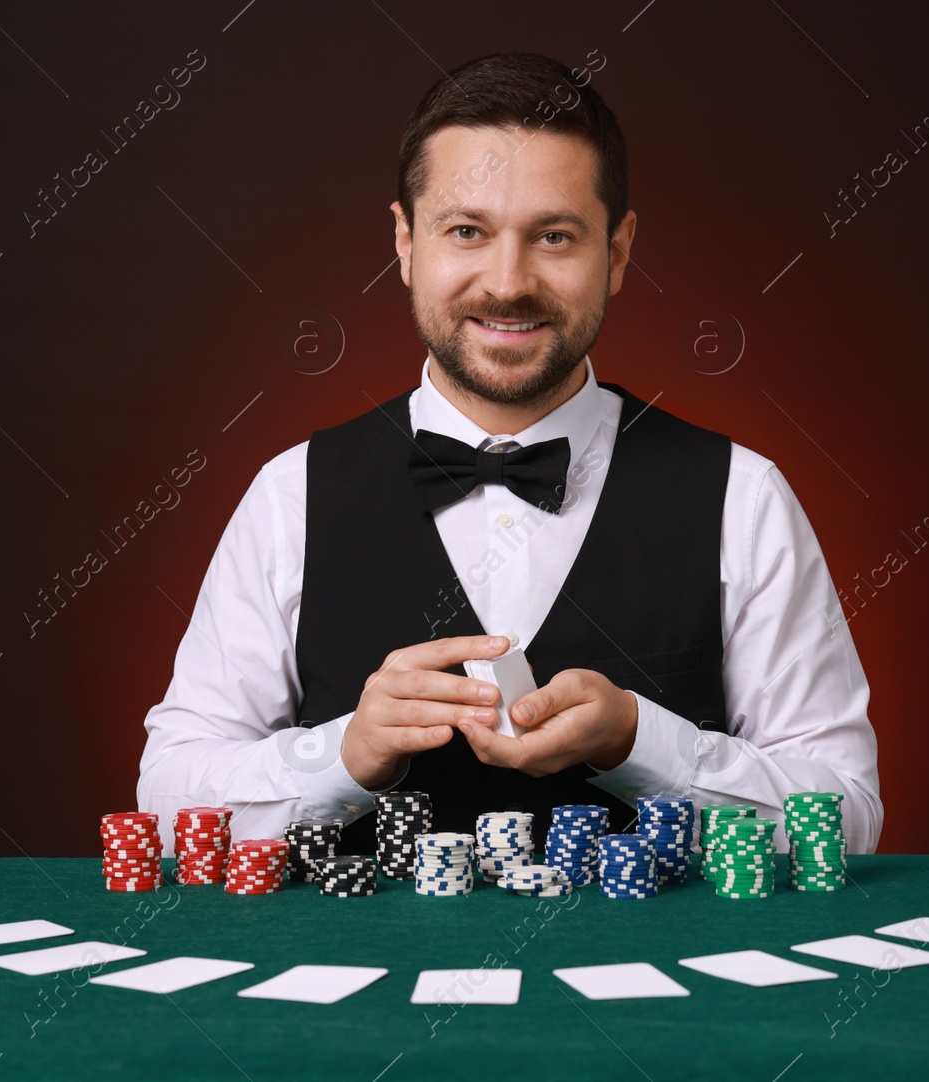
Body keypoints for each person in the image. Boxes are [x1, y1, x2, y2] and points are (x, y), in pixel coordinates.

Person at [137, 51, 881, 858]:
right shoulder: (291, 495)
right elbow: (170, 800)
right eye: (466, 231)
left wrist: (644, 744)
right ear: (406, 242)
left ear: (619, 251)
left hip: (656, 984)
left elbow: (847, 819)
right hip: (367, 983)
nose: (507, 282)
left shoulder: (744, 494)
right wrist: (342, 756)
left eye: (554, 236)